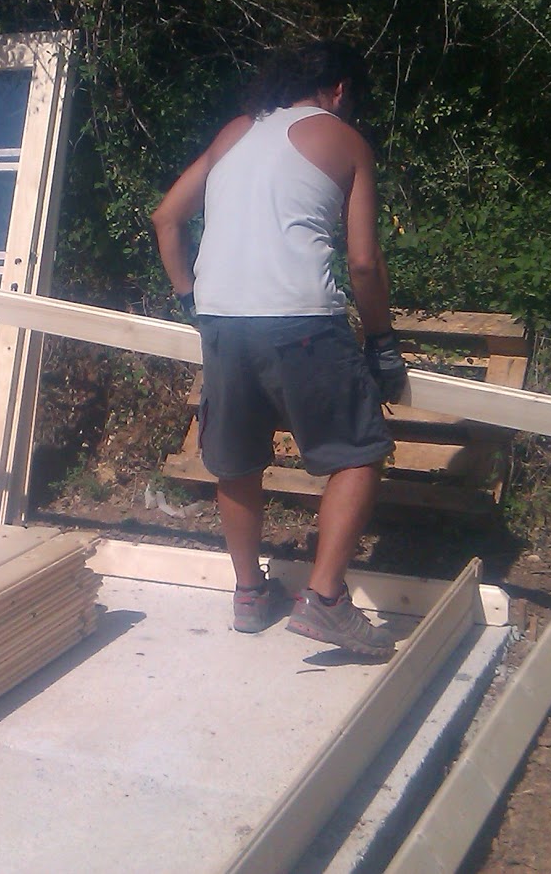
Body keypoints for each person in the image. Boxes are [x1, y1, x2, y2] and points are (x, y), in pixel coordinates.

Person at [151, 41, 408, 657]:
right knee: (359, 450)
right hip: (300, 320)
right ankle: (324, 601)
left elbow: (166, 218)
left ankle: (248, 594)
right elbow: (364, 262)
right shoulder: (344, 140)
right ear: (340, 89)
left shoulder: (237, 131)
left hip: (222, 319)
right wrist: (381, 340)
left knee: (236, 460)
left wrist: (189, 299)